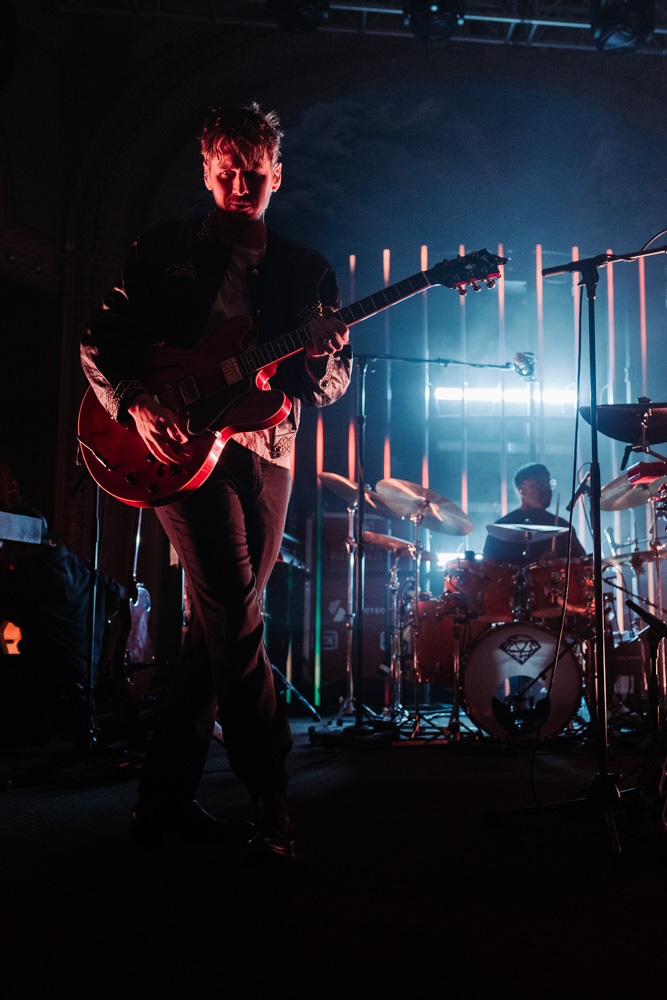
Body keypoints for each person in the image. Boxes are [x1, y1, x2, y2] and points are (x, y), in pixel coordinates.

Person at [80, 103, 351, 862]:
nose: (239, 185)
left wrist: (323, 357)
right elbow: (101, 341)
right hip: (178, 451)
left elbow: (326, 385)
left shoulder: (305, 268)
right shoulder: (163, 250)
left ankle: (161, 803)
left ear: (277, 175)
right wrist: (133, 403)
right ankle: (271, 796)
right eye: (226, 172)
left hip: (269, 450)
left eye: (253, 173)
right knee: (233, 613)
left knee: (218, 629)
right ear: (206, 172)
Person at [483, 462, 586, 562]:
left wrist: (559, 562)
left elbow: (581, 562)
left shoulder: (562, 526)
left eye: (549, 483)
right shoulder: (502, 527)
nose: (548, 489)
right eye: (540, 483)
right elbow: (488, 566)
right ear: (521, 489)